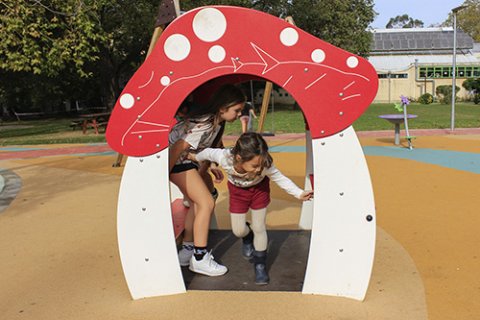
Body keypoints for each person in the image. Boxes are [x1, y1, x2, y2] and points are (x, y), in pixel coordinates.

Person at [189, 132, 313, 284]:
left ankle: (260, 265)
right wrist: (194, 157)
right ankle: (247, 236)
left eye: (260, 165)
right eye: (254, 166)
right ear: (239, 158)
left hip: (259, 191)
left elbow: (280, 178)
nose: (258, 169)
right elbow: (207, 153)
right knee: (238, 230)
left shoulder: (264, 165)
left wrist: (299, 193)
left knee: (259, 227)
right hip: (237, 193)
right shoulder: (224, 157)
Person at [169, 84, 246, 276]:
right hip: (176, 162)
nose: (239, 115)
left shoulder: (216, 124)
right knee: (206, 202)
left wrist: (210, 167)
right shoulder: (205, 122)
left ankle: (187, 251)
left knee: (199, 202)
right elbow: (179, 146)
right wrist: (163, 174)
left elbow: (205, 149)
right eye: (236, 110)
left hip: (184, 162)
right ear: (223, 108)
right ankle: (200, 258)